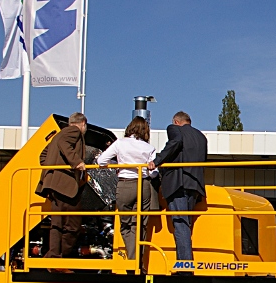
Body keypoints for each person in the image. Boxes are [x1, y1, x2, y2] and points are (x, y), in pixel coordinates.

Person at [148, 111, 207, 262]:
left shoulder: (175, 129)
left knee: (180, 224)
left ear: (176, 121)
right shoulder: (201, 137)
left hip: (178, 182)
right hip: (195, 184)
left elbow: (175, 142)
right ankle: (185, 261)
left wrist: (157, 160)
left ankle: (185, 264)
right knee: (186, 225)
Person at [97, 117, 158, 261]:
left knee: (125, 224)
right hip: (144, 185)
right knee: (139, 225)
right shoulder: (149, 148)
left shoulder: (120, 143)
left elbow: (101, 161)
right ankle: (138, 260)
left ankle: (132, 260)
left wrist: (118, 163)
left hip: (126, 184)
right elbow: (155, 173)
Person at [35, 113, 88, 268]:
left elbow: (42, 155)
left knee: (57, 225)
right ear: (83, 123)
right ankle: (58, 260)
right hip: (65, 185)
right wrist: (77, 162)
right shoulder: (74, 132)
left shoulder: (58, 135)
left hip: (53, 184)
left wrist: (52, 171)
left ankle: (53, 257)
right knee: (73, 225)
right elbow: (65, 144)